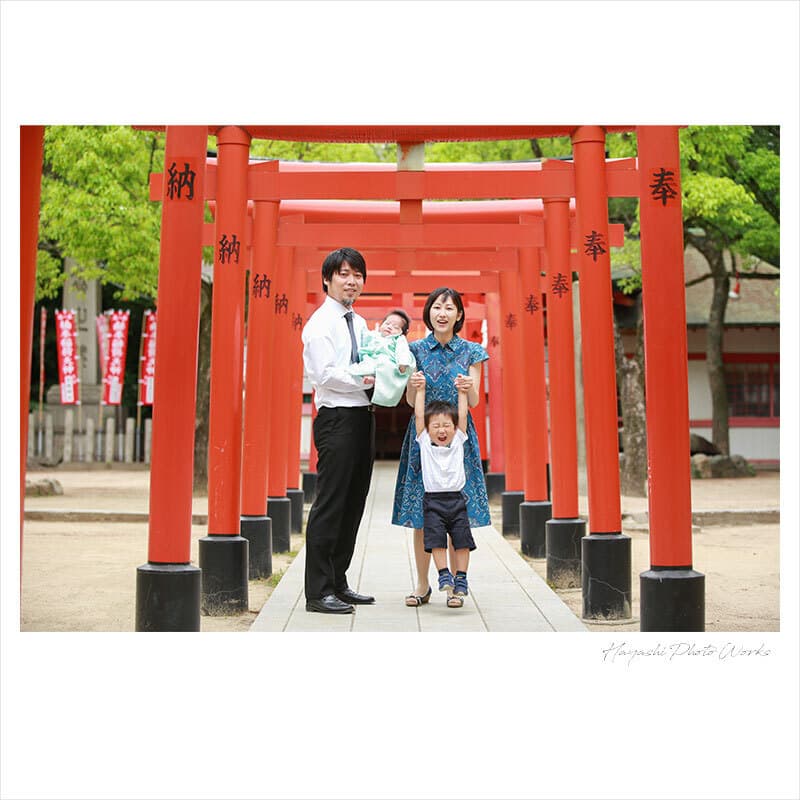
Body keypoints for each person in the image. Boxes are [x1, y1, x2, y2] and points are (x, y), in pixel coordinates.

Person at [392, 287, 490, 607]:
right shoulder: (414, 349)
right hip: (423, 437)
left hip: (459, 437)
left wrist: (468, 388)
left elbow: (474, 401)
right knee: (423, 512)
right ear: (429, 313)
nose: (442, 313)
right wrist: (413, 386)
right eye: (436, 307)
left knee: (454, 511)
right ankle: (423, 584)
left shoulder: (472, 352)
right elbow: (409, 401)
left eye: (449, 308)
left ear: (459, 314)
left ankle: (454, 586)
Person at [301, 247, 376, 614]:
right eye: (344, 274)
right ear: (327, 279)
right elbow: (324, 374)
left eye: (357, 274)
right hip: (337, 419)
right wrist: (366, 378)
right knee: (330, 504)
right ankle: (318, 591)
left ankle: (339, 581)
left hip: (363, 416)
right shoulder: (319, 324)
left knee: (354, 502)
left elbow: (372, 360)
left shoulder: (359, 323)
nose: (352, 281)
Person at [413, 372, 476, 609]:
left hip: (457, 500)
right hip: (433, 502)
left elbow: (463, 414)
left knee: (462, 541)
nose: (442, 430)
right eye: (436, 426)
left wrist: (461, 392)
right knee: (436, 541)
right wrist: (420, 390)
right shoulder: (425, 443)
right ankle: (443, 574)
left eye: (446, 425)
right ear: (428, 429)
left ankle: (461, 577)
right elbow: (420, 415)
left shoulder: (459, 439)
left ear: (454, 427)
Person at [348, 309, 416, 407]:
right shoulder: (374, 335)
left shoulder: (399, 340)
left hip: (389, 360)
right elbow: (363, 339)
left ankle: (376, 381)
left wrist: (402, 363)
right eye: (387, 323)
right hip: (372, 358)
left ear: (402, 333)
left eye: (395, 327)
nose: (389, 327)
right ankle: (369, 377)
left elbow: (403, 351)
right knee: (365, 365)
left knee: (385, 367)